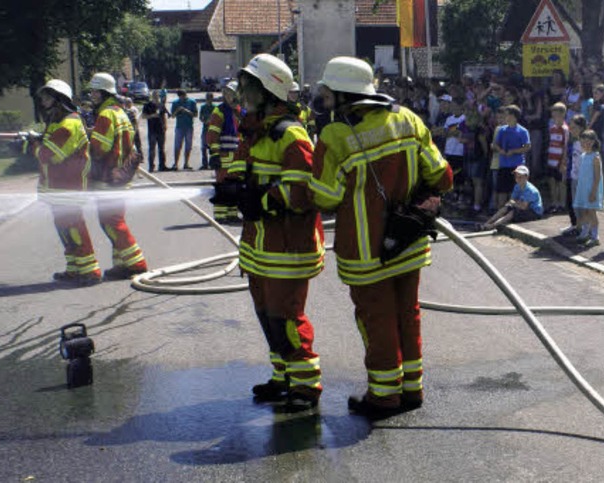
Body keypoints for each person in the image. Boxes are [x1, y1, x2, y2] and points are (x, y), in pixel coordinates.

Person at [309, 57, 453, 419]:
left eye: (327, 94)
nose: (324, 101)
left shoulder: (335, 135)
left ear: (342, 95)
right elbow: (441, 175)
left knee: (377, 318)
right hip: (407, 239)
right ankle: (411, 389)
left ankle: (383, 396)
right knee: (408, 312)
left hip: (364, 250)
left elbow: (324, 197)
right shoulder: (406, 119)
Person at [225, 53, 325, 412]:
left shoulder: (290, 134)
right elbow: (241, 169)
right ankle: (283, 375)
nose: (244, 92)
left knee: (285, 316)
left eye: (250, 86)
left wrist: (261, 200)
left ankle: (305, 384)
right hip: (258, 245)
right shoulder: (253, 128)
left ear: (269, 90)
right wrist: (231, 188)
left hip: (288, 245)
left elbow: (302, 191)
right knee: (267, 314)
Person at [26, 79, 102, 286]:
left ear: (60, 99)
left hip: (69, 186)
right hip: (56, 187)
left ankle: (90, 269)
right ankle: (74, 268)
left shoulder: (69, 123)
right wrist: (37, 139)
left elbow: (50, 155)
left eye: (48, 96)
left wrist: (33, 146)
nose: (43, 101)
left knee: (74, 227)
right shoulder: (57, 121)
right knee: (63, 227)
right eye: (42, 96)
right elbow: (49, 144)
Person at [88, 72, 148, 280]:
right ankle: (121, 264)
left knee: (111, 222)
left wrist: (86, 142)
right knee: (115, 221)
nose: (92, 95)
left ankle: (136, 262)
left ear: (104, 92)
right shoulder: (120, 112)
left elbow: (100, 148)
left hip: (107, 179)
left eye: (95, 91)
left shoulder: (105, 115)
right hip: (120, 177)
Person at [206, 81, 241, 223]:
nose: (230, 96)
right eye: (227, 93)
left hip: (237, 156)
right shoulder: (219, 111)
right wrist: (214, 154)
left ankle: (232, 214)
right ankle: (220, 215)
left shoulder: (239, 111)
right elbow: (212, 135)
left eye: (233, 93)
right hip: (223, 155)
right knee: (223, 185)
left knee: (234, 185)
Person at [480, 165, 543, 230]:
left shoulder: (530, 190)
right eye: (516, 176)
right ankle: (487, 223)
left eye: (520, 176)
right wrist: (515, 203)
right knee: (506, 208)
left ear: (526, 177)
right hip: (524, 208)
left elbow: (523, 207)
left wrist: (514, 203)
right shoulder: (517, 186)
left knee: (513, 212)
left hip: (535, 213)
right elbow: (511, 200)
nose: (518, 178)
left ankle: (492, 226)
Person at [492, 104, 531, 207]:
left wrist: (514, 151)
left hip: (517, 165)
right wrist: (500, 150)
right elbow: (495, 144)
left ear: (514, 116)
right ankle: (501, 212)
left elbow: (527, 146)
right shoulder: (502, 130)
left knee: (515, 191)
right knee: (502, 191)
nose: (505, 117)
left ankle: (513, 213)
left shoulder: (522, 131)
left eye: (507, 114)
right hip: (503, 165)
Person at [573, 129, 604, 247]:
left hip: (592, 189)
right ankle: (585, 233)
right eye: (582, 142)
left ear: (593, 142)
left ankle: (595, 236)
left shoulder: (595, 157)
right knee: (585, 211)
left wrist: (593, 192)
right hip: (584, 188)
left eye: (588, 142)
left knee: (591, 212)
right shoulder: (583, 155)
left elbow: (597, 177)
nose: (585, 144)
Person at [561, 114, 587, 236]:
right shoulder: (573, 141)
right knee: (571, 203)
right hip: (572, 175)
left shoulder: (585, 142)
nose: (571, 130)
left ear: (582, 128)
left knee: (582, 205)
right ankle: (576, 225)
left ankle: (585, 230)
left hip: (583, 178)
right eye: (570, 127)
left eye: (574, 127)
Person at [546, 102, 569, 213]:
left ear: (562, 113)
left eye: (555, 111)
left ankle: (562, 204)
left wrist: (563, 162)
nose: (553, 114)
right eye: (553, 111)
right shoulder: (552, 128)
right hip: (551, 159)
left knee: (561, 182)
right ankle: (554, 203)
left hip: (560, 160)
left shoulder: (565, 129)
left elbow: (565, 146)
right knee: (552, 181)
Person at [141, 91, 169, 172]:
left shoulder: (161, 105)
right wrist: (152, 115)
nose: (156, 97)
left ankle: (162, 166)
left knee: (162, 148)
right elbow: (143, 116)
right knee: (152, 149)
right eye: (154, 95)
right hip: (152, 130)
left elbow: (164, 116)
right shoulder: (147, 105)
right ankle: (151, 167)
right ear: (152, 96)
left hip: (161, 130)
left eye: (157, 95)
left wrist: (165, 125)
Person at [170, 89, 198, 170]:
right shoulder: (175, 103)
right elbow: (172, 116)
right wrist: (178, 110)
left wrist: (186, 111)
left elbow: (195, 115)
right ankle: (175, 164)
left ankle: (186, 163)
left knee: (188, 146)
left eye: (184, 96)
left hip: (189, 126)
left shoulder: (192, 102)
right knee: (177, 146)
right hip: (179, 127)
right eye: (181, 97)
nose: (183, 98)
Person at [198, 92, 216, 170]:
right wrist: (204, 120)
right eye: (207, 98)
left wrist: (211, 120)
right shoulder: (203, 107)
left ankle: (212, 163)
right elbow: (200, 117)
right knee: (203, 147)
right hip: (205, 129)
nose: (209, 100)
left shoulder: (215, 107)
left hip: (213, 130)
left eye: (210, 98)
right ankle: (204, 164)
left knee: (212, 147)